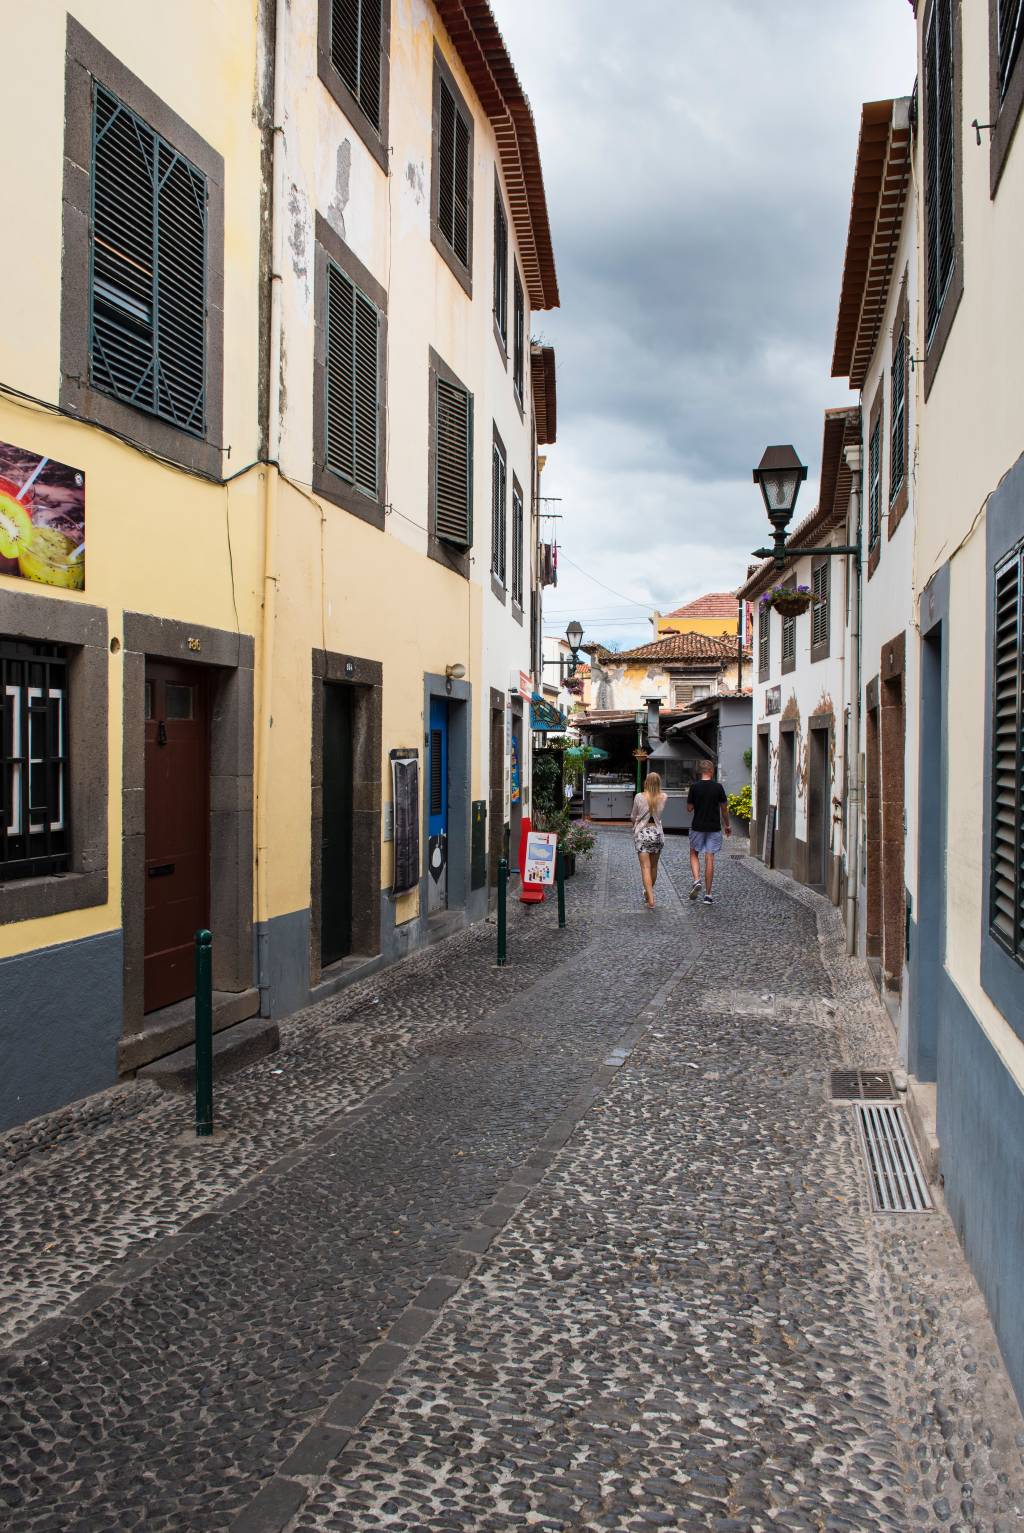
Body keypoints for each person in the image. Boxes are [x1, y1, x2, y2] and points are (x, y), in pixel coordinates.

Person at [686, 759, 730, 904]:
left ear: (700, 772)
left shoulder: (694, 787)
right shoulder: (718, 787)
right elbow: (724, 808)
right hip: (713, 827)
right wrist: (727, 825)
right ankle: (708, 895)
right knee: (709, 857)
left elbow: (689, 809)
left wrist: (696, 802)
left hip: (698, 826)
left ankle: (696, 879)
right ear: (711, 771)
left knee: (694, 853)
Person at [631, 771, 667, 909]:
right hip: (657, 833)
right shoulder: (663, 797)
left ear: (646, 782)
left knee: (645, 867)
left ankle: (650, 899)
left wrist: (635, 822)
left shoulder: (639, 797)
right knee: (653, 866)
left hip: (643, 833)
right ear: (659, 783)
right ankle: (648, 893)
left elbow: (633, 816)